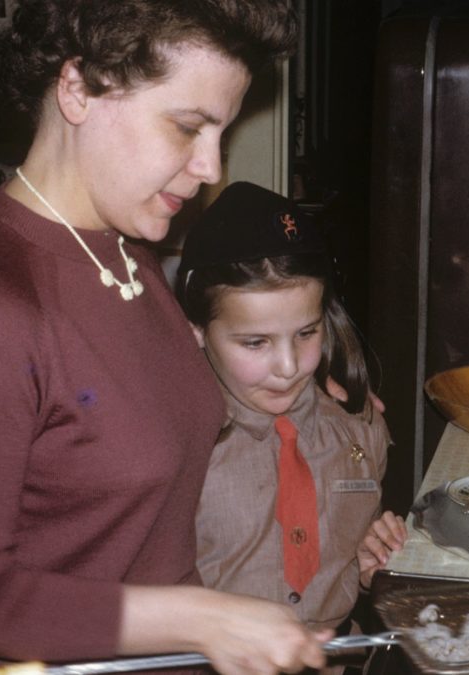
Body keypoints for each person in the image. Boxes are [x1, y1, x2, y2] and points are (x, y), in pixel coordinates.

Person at [0, 2, 333, 673]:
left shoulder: (123, 253)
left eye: (222, 132)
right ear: (77, 89)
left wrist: (322, 397)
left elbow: (142, 413)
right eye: (188, 127)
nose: (211, 166)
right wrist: (199, 618)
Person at [175, 183, 408, 668]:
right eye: (255, 343)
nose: (289, 366)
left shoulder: (358, 426)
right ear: (196, 330)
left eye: (306, 333)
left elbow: (351, 556)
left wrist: (372, 569)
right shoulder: (172, 444)